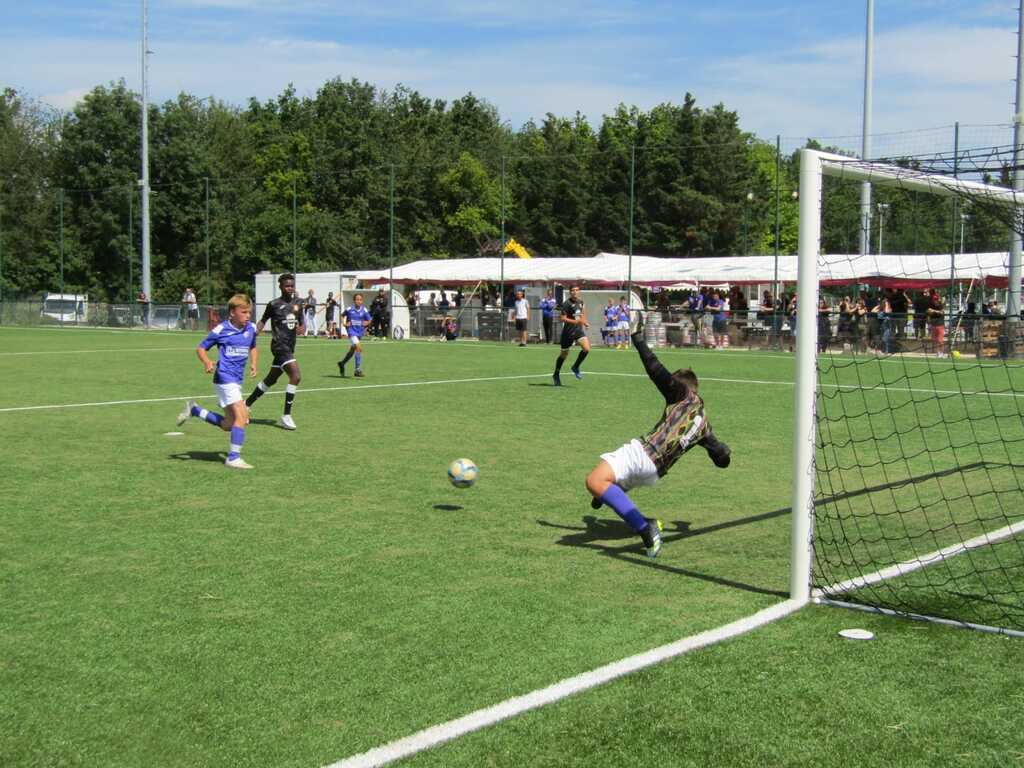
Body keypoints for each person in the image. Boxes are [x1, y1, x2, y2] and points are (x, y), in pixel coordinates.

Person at [585, 315, 731, 557]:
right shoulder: (704, 425)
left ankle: (646, 529)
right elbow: (722, 459)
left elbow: (655, 368)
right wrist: (723, 451)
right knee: (609, 486)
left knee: (594, 482)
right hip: (654, 473)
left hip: (645, 454)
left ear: (681, 385)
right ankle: (614, 494)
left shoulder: (682, 394)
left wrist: (637, 338)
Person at [176, 294, 259, 469]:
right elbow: (201, 348)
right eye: (244, 312)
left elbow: (252, 346)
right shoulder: (221, 330)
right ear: (232, 312)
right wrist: (207, 361)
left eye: (249, 312)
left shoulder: (251, 328)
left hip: (236, 380)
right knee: (242, 417)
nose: (248, 316)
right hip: (224, 377)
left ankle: (195, 410)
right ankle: (233, 458)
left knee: (229, 425)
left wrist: (254, 363)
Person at [245, 273, 304, 430]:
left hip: (290, 346)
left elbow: (301, 323)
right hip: (279, 346)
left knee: (271, 379)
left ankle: (246, 404)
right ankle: (286, 416)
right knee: (296, 376)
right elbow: (263, 321)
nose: (290, 288)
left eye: (292, 285)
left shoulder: (299, 303)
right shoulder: (274, 304)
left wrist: (301, 327)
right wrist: (254, 333)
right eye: (287, 285)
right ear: (280, 287)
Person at [553, 285, 590, 386]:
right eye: (573, 290)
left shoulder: (581, 302)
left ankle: (575, 367)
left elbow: (582, 315)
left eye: (577, 290)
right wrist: (575, 321)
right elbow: (562, 318)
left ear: (579, 291)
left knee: (586, 349)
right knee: (564, 355)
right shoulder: (566, 304)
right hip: (568, 332)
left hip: (578, 331)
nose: (575, 292)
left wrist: (585, 322)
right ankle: (556, 374)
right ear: (570, 292)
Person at [338, 293, 372, 377]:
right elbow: (342, 315)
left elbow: (369, 320)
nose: (359, 301)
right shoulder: (350, 309)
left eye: (360, 300)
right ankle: (357, 369)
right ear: (354, 300)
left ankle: (342, 363)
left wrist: (366, 323)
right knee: (358, 347)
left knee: (352, 351)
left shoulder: (364, 310)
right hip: (351, 331)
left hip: (359, 333)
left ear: (362, 301)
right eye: (357, 299)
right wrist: (344, 324)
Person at [927, 288, 946, 356]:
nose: (935, 300)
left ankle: (942, 352)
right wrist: (930, 312)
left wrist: (934, 311)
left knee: (940, 340)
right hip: (933, 324)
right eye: (934, 299)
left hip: (940, 324)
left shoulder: (940, 305)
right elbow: (929, 312)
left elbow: (942, 312)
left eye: (936, 299)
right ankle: (937, 352)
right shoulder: (930, 304)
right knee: (934, 340)